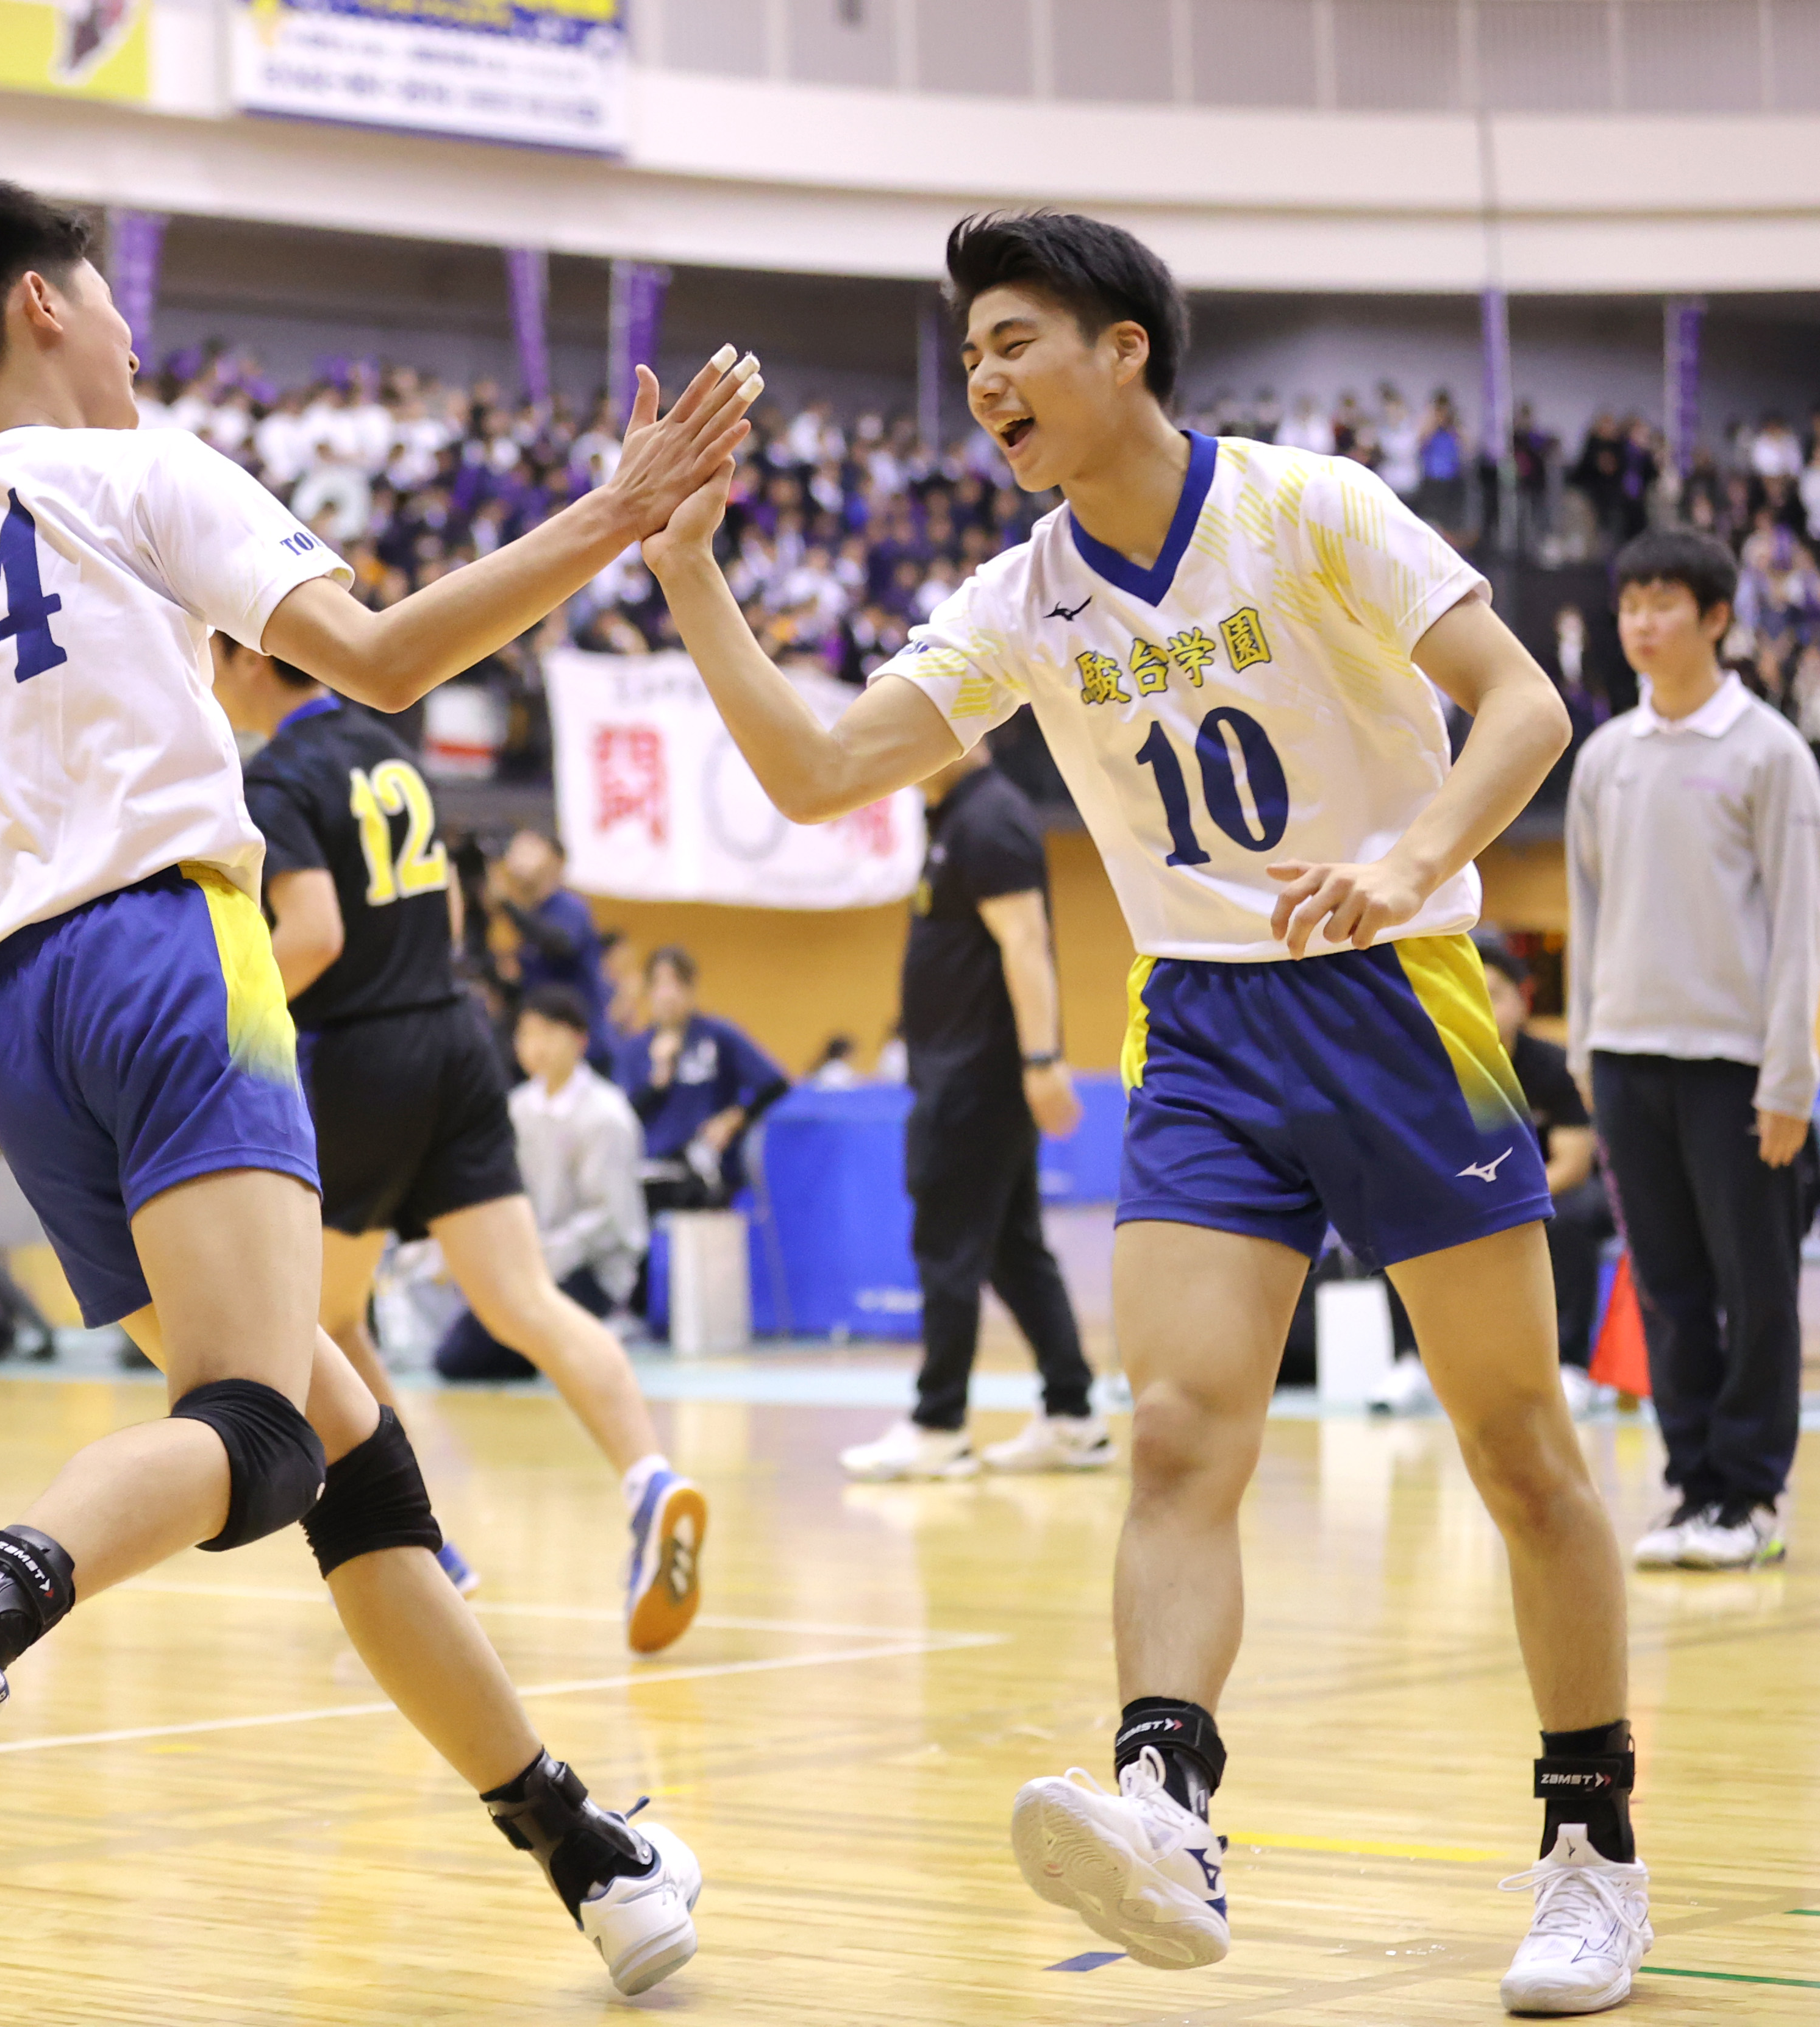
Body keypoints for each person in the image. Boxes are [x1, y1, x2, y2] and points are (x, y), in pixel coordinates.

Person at [0, 181, 754, 1985]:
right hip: (174, 962)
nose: (128, 338)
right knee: (255, 1427)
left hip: (18, 1026)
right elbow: (395, 658)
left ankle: (583, 1845)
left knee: (345, 1451)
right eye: (110, 305)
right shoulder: (139, 468)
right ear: (42, 304)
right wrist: (619, 510)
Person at [642, 212, 1643, 2014]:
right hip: (1197, 1020)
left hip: (1402, 991)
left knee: (1521, 1451)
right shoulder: (1021, 592)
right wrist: (693, 575)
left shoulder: (1306, 506)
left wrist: (1415, 852)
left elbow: (1526, 706)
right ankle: (1167, 1797)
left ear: (1125, 353)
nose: (984, 382)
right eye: (966, 358)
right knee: (1179, 1436)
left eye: (1014, 340)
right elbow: (812, 773)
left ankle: (1593, 1840)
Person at [212, 641, 705, 1645]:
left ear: (244, 658)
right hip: (456, 1036)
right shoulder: (393, 753)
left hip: (362, 1055)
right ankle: (651, 1481)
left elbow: (309, 936)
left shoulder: (276, 774)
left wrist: (221, 1010)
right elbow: (425, 910)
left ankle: (417, 1534)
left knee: (322, 1319)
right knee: (523, 1300)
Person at [1568, 529, 1820, 1574]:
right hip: (1626, 1061)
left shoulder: (1770, 754)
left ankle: (1752, 1496)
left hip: (1735, 1068)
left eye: (1663, 603)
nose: (1641, 622)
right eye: (1630, 604)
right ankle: (1694, 1490)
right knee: (1667, 1288)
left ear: (1716, 618)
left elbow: (1801, 928)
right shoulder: (1604, 758)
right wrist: (1586, 1049)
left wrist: (1789, 1080)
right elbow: (1586, 910)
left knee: (1755, 1285)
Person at [840, 743, 1105, 1482]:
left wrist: (1043, 1060)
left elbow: (1027, 942)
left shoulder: (989, 819)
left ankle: (938, 1422)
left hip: (976, 1080)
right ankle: (1074, 1414)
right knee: (1012, 1249)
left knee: (947, 1245)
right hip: (963, 1075)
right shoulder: (957, 818)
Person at [433, 987, 651, 1380]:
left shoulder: (606, 1115)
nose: (536, 1046)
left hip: (590, 1271)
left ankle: (598, 1330)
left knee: (505, 1346)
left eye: (549, 1033)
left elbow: (610, 1220)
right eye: (526, 1034)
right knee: (456, 1359)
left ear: (580, 1040)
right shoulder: (516, 1109)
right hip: (529, 1268)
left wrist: (540, 1263)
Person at [1476, 934, 1615, 1406]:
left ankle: (1571, 1364)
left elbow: (1573, 1164)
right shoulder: (1444, 1069)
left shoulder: (1554, 1067)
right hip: (1481, 1192)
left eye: (1493, 992)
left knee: (1568, 1216)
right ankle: (1413, 1360)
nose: (1481, 1004)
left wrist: (1513, 1201)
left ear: (1522, 998)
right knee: (1409, 1212)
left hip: (1559, 1189)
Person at [627, 948, 789, 1209]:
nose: (668, 995)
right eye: (659, 984)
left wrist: (733, 1119)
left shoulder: (716, 1036)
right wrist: (658, 1079)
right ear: (649, 992)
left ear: (691, 989)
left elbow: (776, 1085)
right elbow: (626, 1114)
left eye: (677, 983)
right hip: (650, 1177)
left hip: (708, 1177)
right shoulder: (635, 1050)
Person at [490, 830, 616, 1075]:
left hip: (583, 1056)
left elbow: (561, 945)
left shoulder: (569, 908)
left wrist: (507, 905)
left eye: (529, 850)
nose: (518, 859)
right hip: (543, 1056)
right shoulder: (533, 916)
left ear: (555, 860)